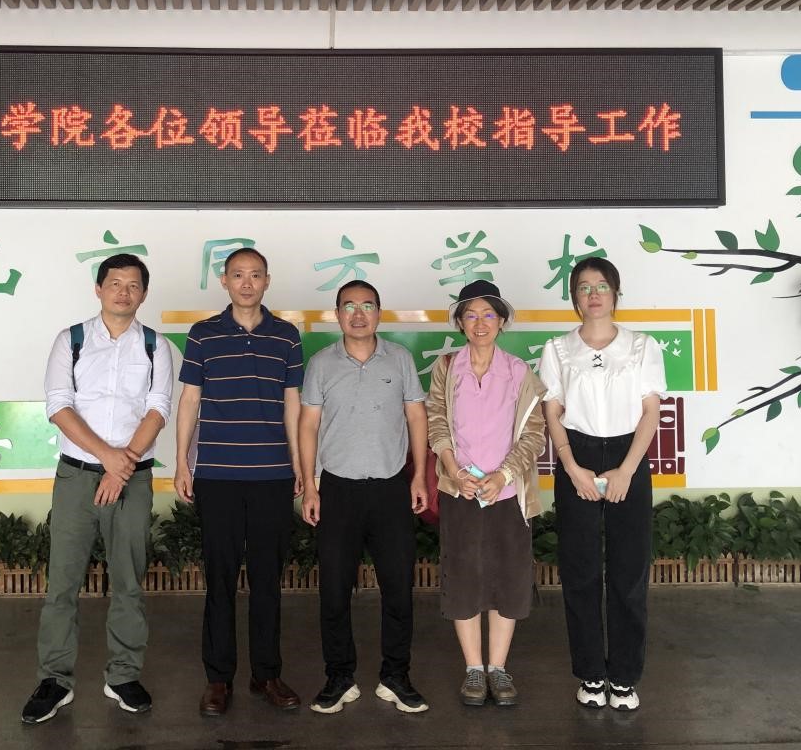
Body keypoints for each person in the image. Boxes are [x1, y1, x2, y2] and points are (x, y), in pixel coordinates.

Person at [21, 253, 174, 725]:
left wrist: (120, 468)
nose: (123, 292)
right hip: (76, 477)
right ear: (99, 289)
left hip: (132, 480)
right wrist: (108, 457)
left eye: (133, 285)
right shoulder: (70, 340)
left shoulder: (156, 346)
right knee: (62, 583)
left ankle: (123, 675)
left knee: (128, 581)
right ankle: (55, 680)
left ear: (144, 293)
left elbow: (158, 409)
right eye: (115, 283)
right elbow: (58, 405)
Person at [173, 247, 304, 717]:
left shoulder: (286, 335)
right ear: (224, 282)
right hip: (217, 475)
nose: (247, 283)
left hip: (272, 474)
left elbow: (293, 403)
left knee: (268, 579)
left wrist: (298, 464)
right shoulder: (203, 334)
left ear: (267, 281)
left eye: (255, 275)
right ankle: (218, 678)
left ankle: (266, 674)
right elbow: (190, 400)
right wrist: (182, 461)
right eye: (238, 275)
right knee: (220, 579)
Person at [538, 257, 666, 712]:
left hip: (629, 457)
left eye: (602, 286)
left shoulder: (642, 345)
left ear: (615, 293)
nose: (593, 295)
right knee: (580, 570)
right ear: (574, 297)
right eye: (584, 287)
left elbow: (650, 411)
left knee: (629, 570)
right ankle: (591, 673)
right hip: (577, 455)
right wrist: (572, 468)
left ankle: (625, 677)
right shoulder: (557, 349)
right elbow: (552, 412)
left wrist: (627, 469)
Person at [299, 280, 431, 715]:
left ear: (379, 312)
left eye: (367, 306)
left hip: (391, 487)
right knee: (334, 591)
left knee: (399, 589)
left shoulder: (400, 358)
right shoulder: (321, 364)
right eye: (349, 306)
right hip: (337, 489)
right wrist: (311, 484)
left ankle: (396, 676)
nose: (358, 314)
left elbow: (416, 416)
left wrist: (418, 477)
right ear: (337, 314)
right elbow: (308, 425)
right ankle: (339, 677)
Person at [425, 279, 546, 708]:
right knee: (463, 578)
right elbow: (436, 422)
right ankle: (473, 669)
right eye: (471, 315)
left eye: (489, 315)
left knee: (507, 579)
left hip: (507, 494)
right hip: (460, 491)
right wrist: (453, 469)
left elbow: (534, 434)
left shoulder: (518, 372)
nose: (480, 323)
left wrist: (504, 474)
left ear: (502, 322)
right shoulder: (446, 368)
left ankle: (498, 668)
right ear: (460, 322)